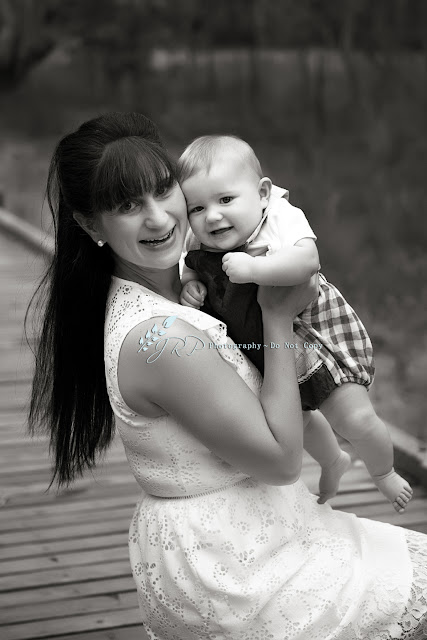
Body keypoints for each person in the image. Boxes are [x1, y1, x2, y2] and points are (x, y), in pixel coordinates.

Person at [28, 112, 427, 640]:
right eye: (127, 206)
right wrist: (277, 316)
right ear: (90, 226)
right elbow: (282, 461)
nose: (158, 218)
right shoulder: (162, 340)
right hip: (234, 563)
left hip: (265, 527)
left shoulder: (179, 282)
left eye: (163, 190)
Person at [178, 134, 413, 513]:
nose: (212, 216)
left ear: (262, 193)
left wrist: (256, 269)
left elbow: (307, 262)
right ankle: (333, 460)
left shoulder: (279, 216)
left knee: (355, 418)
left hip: (312, 335)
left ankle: (383, 471)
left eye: (226, 200)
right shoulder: (195, 238)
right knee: (299, 421)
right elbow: (189, 268)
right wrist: (191, 286)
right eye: (197, 208)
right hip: (262, 348)